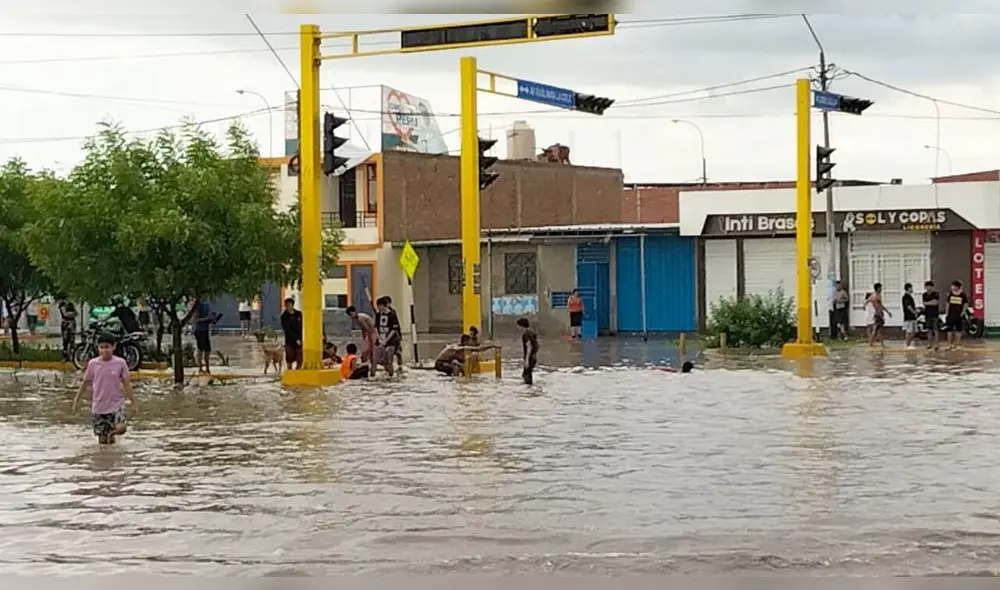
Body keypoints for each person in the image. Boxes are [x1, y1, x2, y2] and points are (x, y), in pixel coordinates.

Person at [72, 334, 137, 445]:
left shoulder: (120, 363)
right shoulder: (93, 364)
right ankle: (107, 459)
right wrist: (77, 399)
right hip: (99, 407)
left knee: (121, 428)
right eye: (101, 347)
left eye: (107, 347)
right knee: (103, 442)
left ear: (114, 347)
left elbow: (126, 384)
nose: (104, 350)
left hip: (116, 405)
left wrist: (133, 402)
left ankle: (112, 434)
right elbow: (86, 382)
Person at [373, 297, 401, 377]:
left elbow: (393, 329)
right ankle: (373, 375)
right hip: (380, 338)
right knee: (375, 359)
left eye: (379, 306)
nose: (378, 308)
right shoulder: (378, 315)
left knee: (389, 359)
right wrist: (379, 338)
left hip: (390, 340)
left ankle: (391, 375)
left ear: (383, 305)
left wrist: (386, 340)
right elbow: (376, 327)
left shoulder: (392, 314)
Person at [944, 279, 969, 350]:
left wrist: (963, 312)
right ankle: (949, 344)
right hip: (951, 314)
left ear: (957, 287)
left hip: (959, 315)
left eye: (954, 286)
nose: (952, 287)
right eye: (952, 286)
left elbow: (966, 304)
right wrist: (947, 313)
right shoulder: (950, 294)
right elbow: (947, 304)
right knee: (949, 330)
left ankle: (957, 344)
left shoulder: (963, 295)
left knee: (958, 330)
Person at [864, 283, 890, 349]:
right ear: (877, 288)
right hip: (877, 314)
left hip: (880, 313)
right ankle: (871, 344)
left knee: (878, 330)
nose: (881, 289)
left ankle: (880, 344)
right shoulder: (874, 295)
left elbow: (881, 305)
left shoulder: (878, 295)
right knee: (876, 330)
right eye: (880, 288)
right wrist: (864, 305)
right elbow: (869, 301)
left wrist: (887, 311)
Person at [382, 296, 405, 370]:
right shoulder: (382, 313)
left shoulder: (392, 312)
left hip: (394, 335)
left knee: (397, 352)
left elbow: (396, 326)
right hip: (385, 334)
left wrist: (399, 335)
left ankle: (400, 365)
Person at [280, 297, 304, 370]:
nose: (288, 307)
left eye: (289, 305)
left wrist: (300, 338)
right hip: (290, 340)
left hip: (300, 339)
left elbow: (302, 326)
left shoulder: (299, 314)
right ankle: (290, 370)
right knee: (289, 357)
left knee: (300, 358)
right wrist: (295, 339)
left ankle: (297, 371)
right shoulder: (284, 316)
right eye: (286, 305)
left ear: (292, 305)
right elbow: (287, 330)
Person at [192, 299, 215, 374]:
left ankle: (207, 368)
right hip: (199, 330)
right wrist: (207, 318)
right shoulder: (197, 305)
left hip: (205, 330)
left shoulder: (207, 304)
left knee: (207, 350)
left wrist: (211, 319)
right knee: (200, 350)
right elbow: (195, 319)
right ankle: (200, 368)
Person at [517, 317, 539, 385]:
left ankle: (528, 392)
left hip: (530, 357)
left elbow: (529, 347)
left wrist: (526, 360)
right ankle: (529, 391)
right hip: (533, 357)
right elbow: (536, 345)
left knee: (526, 376)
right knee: (526, 375)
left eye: (518, 326)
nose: (518, 327)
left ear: (521, 326)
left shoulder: (525, 334)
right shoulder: (532, 332)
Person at [922, 280, 941, 350]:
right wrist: (930, 302)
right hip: (927, 314)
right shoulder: (924, 295)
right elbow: (924, 303)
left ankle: (936, 344)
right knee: (929, 330)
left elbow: (935, 302)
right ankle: (929, 344)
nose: (927, 288)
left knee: (936, 330)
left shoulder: (936, 294)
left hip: (935, 314)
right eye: (926, 286)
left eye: (929, 286)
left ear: (932, 287)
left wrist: (928, 303)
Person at [902, 282, 918, 349]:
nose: (912, 289)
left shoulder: (909, 296)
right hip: (909, 316)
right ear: (908, 288)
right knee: (909, 331)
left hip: (912, 316)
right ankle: (907, 345)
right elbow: (908, 306)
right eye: (911, 288)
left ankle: (908, 344)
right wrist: (914, 311)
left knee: (913, 332)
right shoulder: (906, 297)